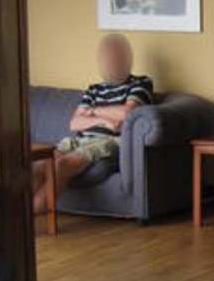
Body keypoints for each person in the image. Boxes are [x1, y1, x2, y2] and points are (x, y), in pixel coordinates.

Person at [32, 34, 155, 212]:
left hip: (108, 142)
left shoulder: (140, 83)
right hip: (79, 140)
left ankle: (26, 217)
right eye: (108, 59)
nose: (113, 62)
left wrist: (92, 111)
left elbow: (127, 112)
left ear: (127, 59)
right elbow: (75, 123)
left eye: (117, 57)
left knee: (60, 165)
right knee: (41, 164)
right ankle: (16, 215)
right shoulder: (94, 89)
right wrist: (104, 120)